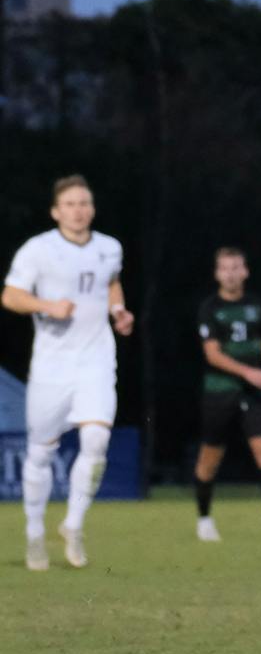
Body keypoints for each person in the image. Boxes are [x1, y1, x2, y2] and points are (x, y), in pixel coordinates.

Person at [2, 175, 134, 571]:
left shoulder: (110, 247)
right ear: (56, 211)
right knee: (41, 452)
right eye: (71, 204)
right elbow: (10, 295)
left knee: (96, 439)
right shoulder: (39, 249)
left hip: (95, 360)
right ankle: (34, 535)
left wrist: (118, 312)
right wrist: (46, 304)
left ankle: (73, 526)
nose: (79, 210)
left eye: (85, 203)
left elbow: (111, 284)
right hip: (52, 366)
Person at [192, 247, 261, 542]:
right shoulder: (209, 308)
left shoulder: (258, 306)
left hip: (254, 394)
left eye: (236, 268)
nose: (230, 274)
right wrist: (247, 371)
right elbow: (212, 354)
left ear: (245, 271)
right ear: (217, 274)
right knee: (210, 459)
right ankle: (204, 518)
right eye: (225, 268)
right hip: (219, 392)